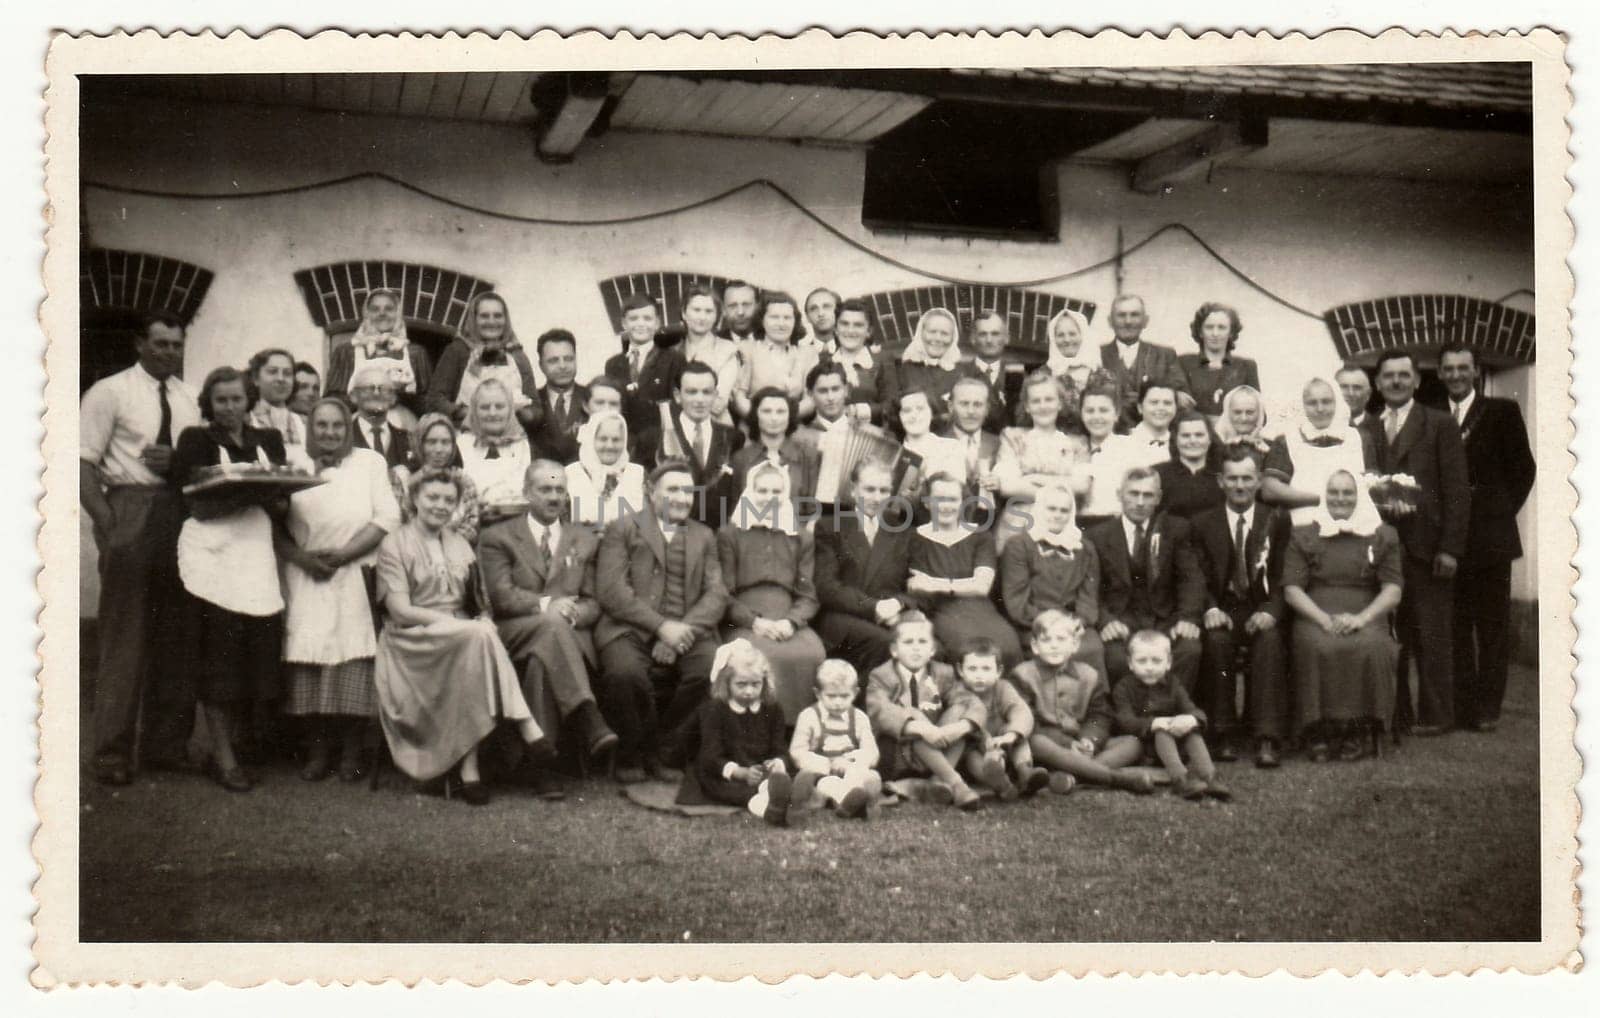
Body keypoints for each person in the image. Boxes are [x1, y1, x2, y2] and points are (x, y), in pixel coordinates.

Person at [373, 468, 544, 805]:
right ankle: (527, 726)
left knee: (478, 639)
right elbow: (400, 611)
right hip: (412, 641)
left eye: (448, 500)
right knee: (476, 638)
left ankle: (470, 770)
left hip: (461, 639)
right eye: (432, 497)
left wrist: (480, 618)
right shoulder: (395, 543)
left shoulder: (460, 542)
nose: (440, 505)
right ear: (414, 499)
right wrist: (462, 624)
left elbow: (478, 603)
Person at [80, 311, 200, 784]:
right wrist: (110, 525)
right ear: (139, 344)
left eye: (176, 344)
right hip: (130, 508)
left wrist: (178, 462)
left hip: (179, 512)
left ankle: (166, 748)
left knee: (178, 635)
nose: (169, 352)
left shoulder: (190, 399)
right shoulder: (109, 392)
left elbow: (194, 463)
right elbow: (80, 464)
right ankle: (110, 753)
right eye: (161, 343)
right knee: (124, 639)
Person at [170, 367, 289, 792]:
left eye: (237, 398)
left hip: (255, 555)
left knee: (253, 654)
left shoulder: (267, 441)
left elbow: (279, 500)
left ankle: (237, 747)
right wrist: (253, 492)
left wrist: (263, 492)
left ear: (248, 400)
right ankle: (222, 758)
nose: (230, 407)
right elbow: (196, 506)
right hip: (213, 556)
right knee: (218, 656)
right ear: (209, 402)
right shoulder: (195, 440)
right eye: (221, 400)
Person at [277, 397, 400, 782]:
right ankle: (318, 751)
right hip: (306, 573)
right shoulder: (291, 461)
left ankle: (351, 752)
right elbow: (272, 521)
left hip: (354, 572)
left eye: (337, 426)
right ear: (309, 429)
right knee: (310, 658)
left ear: (349, 428)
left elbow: (388, 517)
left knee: (353, 659)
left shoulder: (370, 463)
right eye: (321, 426)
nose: (329, 433)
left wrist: (345, 554)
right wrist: (303, 559)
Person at [479, 461, 619, 781]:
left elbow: (593, 600)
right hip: (514, 631)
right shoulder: (497, 537)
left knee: (545, 655)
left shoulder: (583, 538)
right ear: (527, 493)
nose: (553, 497)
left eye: (559, 489)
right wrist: (546, 605)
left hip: (567, 636)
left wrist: (573, 613)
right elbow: (501, 596)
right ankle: (588, 716)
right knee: (548, 628)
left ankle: (541, 766)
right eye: (545, 489)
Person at [595, 460, 729, 782]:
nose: (682, 498)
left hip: (688, 630)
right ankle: (632, 751)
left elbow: (716, 595)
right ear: (650, 492)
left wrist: (681, 631)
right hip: (630, 628)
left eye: (688, 491)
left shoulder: (704, 535)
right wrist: (660, 627)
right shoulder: (623, 528)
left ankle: (667, 751)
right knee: (625, 674)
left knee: (710, 668)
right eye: (673, 490)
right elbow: (612, 591)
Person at [1362, 349, 1470, 736]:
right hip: (1385, 547)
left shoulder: (1439, 424)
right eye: (1388, 376)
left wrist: (1450, 548)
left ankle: (1437, 714)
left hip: (1428, 545)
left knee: (1432, 632)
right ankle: (1398, 713)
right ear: (1377, 383)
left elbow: (1457, 490)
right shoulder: (1368, 426)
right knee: (1395, 632)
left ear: (1418, 381)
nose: (1395, 382)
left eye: (1403, 376)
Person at [1439, 342, 1536, 732]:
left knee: (1491, 627)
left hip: (1491, 540)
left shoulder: (1502, 412)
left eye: (1464, 368)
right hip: (1451, 539)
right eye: (1449, 368)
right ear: (1441, 373)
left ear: (1477, 371)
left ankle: (1488, 709)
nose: (1457, 375)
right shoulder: (1433, 414)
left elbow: (1524, 469)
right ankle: (1463, 707)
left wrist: (1498, 511)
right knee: (1457, 626)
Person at [1282, 471, 1404, 761]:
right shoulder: (1305, 534)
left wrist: (1362, 618)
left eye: (1348, 492)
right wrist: (1324, 620)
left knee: (1371, 646)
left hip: (1366, 611)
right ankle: (1318, 729)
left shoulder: (1382, 535)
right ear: (1325, 495)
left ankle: (1359, 729)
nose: (1340, 498)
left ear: (1359, 496)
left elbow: (1393, 590)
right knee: (1317, 645)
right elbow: (1291, 590)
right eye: (1334, 492)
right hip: (1315, 613)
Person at [1191, 447, 1292, 767]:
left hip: (1259, 604)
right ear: (1220, 481)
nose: (1239, 485)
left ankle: (1267, 736)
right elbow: (1197, 577)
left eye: (1247, 478)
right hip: (1223, 606)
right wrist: (1209, 608)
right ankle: (1223, 733)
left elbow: (1283, 575)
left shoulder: (1276, 518)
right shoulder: (1202, 522)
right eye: (1232, 478)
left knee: (1270, 640)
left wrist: (1271, 611)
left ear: (1259, 480)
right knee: (1217, 640)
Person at [719, 461, 828, 723]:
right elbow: (723, 592)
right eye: (763, 491)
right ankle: (759, 731)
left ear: (786, 494)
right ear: (750, 491)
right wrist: (754, 621)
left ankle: (799, 733)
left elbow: (808, 594)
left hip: (787, 616)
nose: (769, 498)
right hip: (745, 617)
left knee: (812, 654)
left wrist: (791, 622)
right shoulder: (730, 534)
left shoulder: (800, 536)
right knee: (761, 657)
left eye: (777, 492)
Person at [1010, 610, 1156, 794]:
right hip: (1048, 745)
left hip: (1080, 742)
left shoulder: (1089, 675)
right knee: (1036, 741)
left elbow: (1099, 716)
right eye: (1046, 640)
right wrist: (1066, 743)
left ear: (1074, 644)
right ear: (1035, 646)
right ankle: (1117, 779)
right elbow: (1028, 720)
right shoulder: (1023, 675)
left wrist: (1090, 740)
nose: (1054, 646)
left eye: (1061, 640)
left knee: (1132, 743)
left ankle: (1071, 777)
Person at [1085, 466, 1205, 689]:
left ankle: (1172, 715)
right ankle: (1131, 720)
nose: (1140, 502)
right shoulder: (1098, 535)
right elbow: (1090, 588)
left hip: (1165, 619)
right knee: (1116, 659)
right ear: (1119, 494)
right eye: (1133, 494)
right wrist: (1106, 621)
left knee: (1189, 650)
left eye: (1148, 495)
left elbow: (1191, 579)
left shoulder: (1176, 530)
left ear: (1158, 498)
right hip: (1122, 621)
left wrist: (1187, 618)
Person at [863, 612, 985, 810]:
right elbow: (880, 711)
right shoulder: (881, 676)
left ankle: (936, 782)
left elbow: (971, 703)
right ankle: (956, 784)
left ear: (932, 649)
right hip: (898, 753)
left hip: (937, 747)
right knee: (914, 721)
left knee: (961, 711)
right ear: (894, 650)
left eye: (922, 641)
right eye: (908, 642)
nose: (916, 648)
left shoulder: (943, 673)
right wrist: (918, 727)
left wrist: (960, 727)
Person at [813, 459, 922, 676]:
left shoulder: (904, 530)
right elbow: (827, 586)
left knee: (925, 644)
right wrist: (874, 607)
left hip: (890, 615)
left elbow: (917, 585)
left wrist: (898, 603)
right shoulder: (830, 525)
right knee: (886, 643)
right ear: (853, 490)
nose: (876, 497)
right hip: (841, 617)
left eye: (884, 490)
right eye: (869, 489)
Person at [908, 473, 1024, 671]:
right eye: (939, 499)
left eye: (953, 499)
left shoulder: (980, 537)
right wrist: (958, 585)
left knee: (1008, 647)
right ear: (927, 503)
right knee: (967, 651)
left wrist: (935, 584)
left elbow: (981, 587)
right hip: (941, 612)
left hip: (980, 609)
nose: (946, 506)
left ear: (962, 502)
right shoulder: (914, 539)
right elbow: (916, 587)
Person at [675, 640, 794, 827]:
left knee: (771, 780)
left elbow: (779, 746)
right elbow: (710, 756)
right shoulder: (714, 709)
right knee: (741, 792)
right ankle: (770, 810)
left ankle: (776, 793)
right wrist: (739, 772)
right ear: (726, 682)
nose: (749, 691)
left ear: (765, 681)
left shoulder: (773, 708)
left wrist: (776, 763)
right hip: (725, 772)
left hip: (761, 770)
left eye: (756, 684)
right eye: (741, 684)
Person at [999, 480, 1106, 679]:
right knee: (1047, 645)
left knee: (1090, 648)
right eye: (1051, 509)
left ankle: (1092, 706)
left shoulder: (1085, 548)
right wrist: (1048, 623)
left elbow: (1088, 597)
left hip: (1072, 623)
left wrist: (1078, 621)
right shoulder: (1019, 545)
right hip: (1032, 623)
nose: (1057, 515)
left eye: (1064, 510)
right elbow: (1016, 601)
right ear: (1039, 509)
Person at [1112, 630, 1230, 801]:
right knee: (1162, 731)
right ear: (1130, 663)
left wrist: (1191, 719)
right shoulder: (1123, 688)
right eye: (1142, 661)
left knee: (1190, 730)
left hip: (1174, 750)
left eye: (1157, 661)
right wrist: (1154, 723)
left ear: (1168, 663)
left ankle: (1209, 777)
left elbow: (1193, 710)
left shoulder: (1173, 684)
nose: (1150, 667)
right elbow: (1125, 721)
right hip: (1145, 748)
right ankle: (1179, 780)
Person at [635, 361, 745, 527]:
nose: (699, 400)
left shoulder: (732, 438)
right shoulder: (653, 438)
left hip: (717, 538)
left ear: (715, 395)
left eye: (706, 392)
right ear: (678, 396)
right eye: (692, 392)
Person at [992, 371, 1088, 547]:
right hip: (1018, 524)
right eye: (1036, 401)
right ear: (1027, 406)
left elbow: (1081, 485)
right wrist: (1061, 487)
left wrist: (1033, 478)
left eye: (1049, 399)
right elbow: (1007, 486)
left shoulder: (1077, 443)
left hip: (1061, 524)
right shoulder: (1013, 438)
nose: (1043, 406)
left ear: (1060, 403)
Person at [1263, 378, 1376, 527]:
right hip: (1304, 527)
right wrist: (1322, 499)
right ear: (1302, 406)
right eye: (1312, 403)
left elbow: (1373, 481)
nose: (1320, 408)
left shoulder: (1359, 438)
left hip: (1355, 527)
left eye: (1326, 401)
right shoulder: (1287, 440)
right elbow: (1270, 489)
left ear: (1337, 403)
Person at [948, 638, 1050, 801]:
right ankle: (1001, 785)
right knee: (971, 758)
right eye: (972, 669)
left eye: (986, 669)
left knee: (1021, 741)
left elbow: (1020, 711)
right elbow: (970, 722)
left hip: (1003, 741)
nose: (979, 676)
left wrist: (1010, 735)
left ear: (998, 671)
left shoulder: (1003, 688)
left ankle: (1025, 772)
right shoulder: (958, 691)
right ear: (961, 670)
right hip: (976, 744)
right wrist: (987, 742)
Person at [426, 291, 540, 431]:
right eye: (484, 316)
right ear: (474, 319)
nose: (491, 322)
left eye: (498, 316)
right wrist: (468, 413)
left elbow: (537, 409)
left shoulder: (517, 355)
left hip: (510, 440)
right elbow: (435, 399)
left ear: (506, 320)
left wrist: (519, 413)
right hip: (466, 436)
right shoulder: (458, 350)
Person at [788, 659, 882, 819]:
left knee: (862, 775)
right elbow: (797, 752)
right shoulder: (809, 716)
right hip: (823, 772)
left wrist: (852, 762)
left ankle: (864, 797)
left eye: (844, 696)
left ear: (855, 693)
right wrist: (826, 765)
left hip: (849, 767)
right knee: (829, 784)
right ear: (818, 694)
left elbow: (871, 752)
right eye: (831, 696)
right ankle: (854, 805)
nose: (838, 702)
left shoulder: (859, 718)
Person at [325, 288, 433, 423]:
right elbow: (332, 403)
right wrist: (368, 396)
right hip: (357, 430)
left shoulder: (416, 354)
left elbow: (430, 404)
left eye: (389, 309)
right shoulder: (346, 352)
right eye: (375, 309)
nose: (382, 313)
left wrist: (401, 396)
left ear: (398, 313)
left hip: (404, 428)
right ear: (366, 313)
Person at [1098, 294, 1190, 427]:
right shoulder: (1096, 354)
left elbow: (1184, 400)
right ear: (1110, 321)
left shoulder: (1164, 355)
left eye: (1134, 315)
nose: (1128, 321)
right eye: (1121, 315)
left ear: (1145, 321)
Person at [456, 377, 536, 527]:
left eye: (499, 406)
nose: (492, 413)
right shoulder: (460, 445)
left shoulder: (524, 445)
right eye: (485, 407)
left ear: (510, 409)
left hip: (517, 526)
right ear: (474, 410)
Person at [732, 290, 822, 422]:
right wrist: (765, 421)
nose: (781, 324)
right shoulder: (747, 349)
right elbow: (738, 399)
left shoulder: (808, 354)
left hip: (795, 428)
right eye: (774, 317)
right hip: (754, 429)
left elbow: (811, 400)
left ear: (795, 321)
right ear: (762, 320)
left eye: (787, 318)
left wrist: (782, 420)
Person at [391, 413, 481, 543]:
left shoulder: (463, 479)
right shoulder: (400, 476)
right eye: (431, 442)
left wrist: (444, 544)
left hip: (454, 553)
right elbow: (397, 523)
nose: (439, 449)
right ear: (419, 443)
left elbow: (471, 526)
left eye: (445, 442)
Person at [604, 293, 684, 438]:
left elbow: (678, 406)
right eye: (633, 318)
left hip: (660, 438)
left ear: (657, 323)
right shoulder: (613, 364)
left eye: (647, 318)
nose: (640, 324)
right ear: (623, 323)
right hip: (623, 440)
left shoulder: (673, 359)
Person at [727, 387, 820, 510]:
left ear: (790, 416)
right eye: (766, 411)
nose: (774, 418)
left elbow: (812, 508)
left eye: (781, 411)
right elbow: (736, 508)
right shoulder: (741, 458)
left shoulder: (808, 456)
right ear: (756, 415)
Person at [881, 307, 964, 434]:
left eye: (944, 334)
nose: (937, 338)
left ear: (953, 338)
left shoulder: (961, 375)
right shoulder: (902, 370)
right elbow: (891, 412)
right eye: (932, 332)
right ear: (921, 333)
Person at [1177, 302, 1261, 421]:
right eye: (1209, 327)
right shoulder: (1183, 363)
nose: (1215, 333)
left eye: (1221, 327)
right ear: (1200, 331)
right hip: (1194, 436)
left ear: (1231, 332)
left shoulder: (1246, 366)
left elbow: (1260, 416)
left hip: (1232, 437)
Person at [565, 410, 647, 528]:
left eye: (616, 440)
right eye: (603, 439)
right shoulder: (570, 474)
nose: (610, 446)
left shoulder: (639, 474)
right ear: (591, 439)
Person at [1074, 384, 1139, 529]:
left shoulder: (1129, 448)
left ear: (1116, 414)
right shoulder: (1073, 447)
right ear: (1081, 414)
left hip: (1115, 525)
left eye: (1103, 410)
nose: (1096, 417)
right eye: (1090, 411)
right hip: (1078, 525)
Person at [677, 285, 740, 426]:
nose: (702, 317)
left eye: (709, 311)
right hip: (677, 425)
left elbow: (718, 404)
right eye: (696, 310)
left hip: (715, 425)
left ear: (716, 316)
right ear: (684, 313)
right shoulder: (674, 349)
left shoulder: (728, 350)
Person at [1043, 307, 1116, 429]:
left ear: (1083, 335)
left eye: (1072, 334)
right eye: (1060, 335)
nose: (1067, 340)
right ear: (1053, 339)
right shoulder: (1044, 375)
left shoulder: (1103, 376)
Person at [939, 375, 1003, 509]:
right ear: (951, 407)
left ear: (987, 409)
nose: (971, 411)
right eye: (964, 404)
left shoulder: (999, 444)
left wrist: (1001, 484)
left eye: (978, 404)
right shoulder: (937, 443)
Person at [960, 310, 1026, 434]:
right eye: (983, 334)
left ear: (1006, 338)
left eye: (995, 334)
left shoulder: (1020, 374)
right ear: (973, 339)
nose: (989, 340)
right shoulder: (958, 374)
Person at [895, 388, 965, 502]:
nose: (914, 415)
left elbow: (954, 492)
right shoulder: (892, 452)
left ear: (932, 412)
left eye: (920, 409)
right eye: (907, 410)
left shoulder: (951, 448)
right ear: (899, 416)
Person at [530, 329, 587, 464]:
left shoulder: (592, 397)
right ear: (541, 365)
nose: (562, 366)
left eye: (568, 359)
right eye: (553, 360)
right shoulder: (531, 403)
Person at [245, 347, 309, 464]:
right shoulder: (245, 421)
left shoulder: (305, 423)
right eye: (272, 372)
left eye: (287, 373)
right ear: (255, 378)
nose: (281, 379)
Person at [1155, 411, 1223, 519]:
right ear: (1176, 440)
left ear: (1210, 439)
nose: (1192, 440)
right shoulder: (1158, 474)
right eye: (1185, 435)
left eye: (1199, 435)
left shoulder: (1223, 474)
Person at [827, 298, 886, 422]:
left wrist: (858, 411)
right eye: (844, 324)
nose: (850, 330)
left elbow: (891, 405)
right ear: (836, 329)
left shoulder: (882, 362)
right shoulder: (825, 364)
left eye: (858, 325)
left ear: (868, 331)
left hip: (873, 436)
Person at [348, 364, 412, 470]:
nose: (377, 393)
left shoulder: (407, 440)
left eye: (384, 389)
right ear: (354, 396)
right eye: (369, 388)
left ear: (393, 398)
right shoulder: (343, 438)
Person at [1125, 380, 1179, 467]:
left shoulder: (1181, 445)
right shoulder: (1123, 442)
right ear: (1140, 407)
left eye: (1167, 403)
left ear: (1175, 408)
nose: (1161, 408)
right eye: (1154, 402)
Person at [1212, 384, 1272, 455]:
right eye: (1237, 412)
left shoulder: (1271, 448)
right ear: (1228, 414)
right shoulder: (1213, 447)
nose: (1244, 418)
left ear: (1259, 414)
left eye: (1250, 412)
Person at [1335, 362, 1375, 428]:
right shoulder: (1324, 426)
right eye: (1344, 387)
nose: (1351, 393)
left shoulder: (1380, 428)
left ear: (1368, 394)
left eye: (1357, 387)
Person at [804, 287, 841, 352]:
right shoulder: (800, 353)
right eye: (813, 309)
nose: (820, 313)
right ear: (807, 317)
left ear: (838, 311)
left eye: (826, 306)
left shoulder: (854, 350)